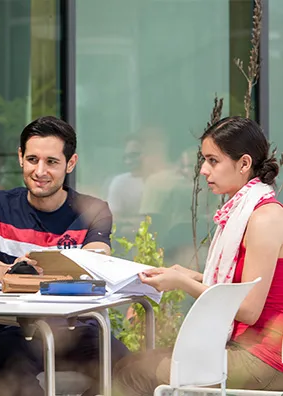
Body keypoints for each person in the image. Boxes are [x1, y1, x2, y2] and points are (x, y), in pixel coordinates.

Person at [0, 116, 130, 396]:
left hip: (79, 330)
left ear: (70, 164)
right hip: (15, 332)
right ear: (20, 158)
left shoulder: (92, 210)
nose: (40, 170)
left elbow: (94, 267)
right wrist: (20, 269)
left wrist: (8, 270)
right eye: (33, 159)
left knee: (129, 371)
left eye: (52, 162)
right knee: (10, 368)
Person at [113, 116, 283, 394]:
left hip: (264, 358)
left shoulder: (265, 217)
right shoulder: (245, 211)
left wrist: (183, 284)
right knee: (126, 365)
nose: (204, 170)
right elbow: (240, 286)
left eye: (213, 161)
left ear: (244, 164)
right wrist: (188, 274)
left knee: (135, 373)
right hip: (242, 347)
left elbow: (249, 310)